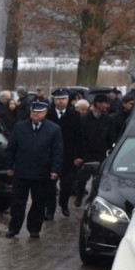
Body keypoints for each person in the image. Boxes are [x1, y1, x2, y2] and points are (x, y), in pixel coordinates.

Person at [4, 100, 63, 239]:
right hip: (21, 172)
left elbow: (57, 152)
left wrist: (55, 170)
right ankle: (14, 228)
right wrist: (9, 166)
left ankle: (34, 228)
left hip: (42, 173)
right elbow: (11, 148)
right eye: (34, 112)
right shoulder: (20, 127)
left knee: (39, 203)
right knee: (17, 203)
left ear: (45, 113)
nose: (36, 115)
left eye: (39, 112)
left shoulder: (53, 129)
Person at [75, 93, 117, 206]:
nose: (107, 106)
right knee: (82, 178)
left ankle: (92, 197)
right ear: (98, 104)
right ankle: (79, 196)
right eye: (105, 103)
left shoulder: (108, 119)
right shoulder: (85, 119)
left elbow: (111, 137)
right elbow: (80, 136)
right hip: (86, 153)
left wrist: (110, 150)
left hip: (101, 154)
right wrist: (79, 154)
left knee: (97, 179)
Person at [46, 89, 82, 218]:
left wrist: (79, 156)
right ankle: (50, 210)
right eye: (58, 99)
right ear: (54, 100)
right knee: (49, 186)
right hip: (51, 156)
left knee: (67, 185)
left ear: (68, 100)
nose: (61, 101)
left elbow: (80, 137)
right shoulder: (48, 114)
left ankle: (64, 203)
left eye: (63, 99)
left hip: (69, 156)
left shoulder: (75, 115)